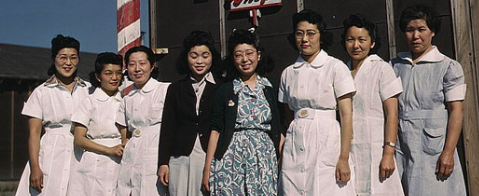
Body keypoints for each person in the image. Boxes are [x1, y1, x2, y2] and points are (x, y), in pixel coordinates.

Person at [391, 4, 467, 196]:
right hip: (401, 145)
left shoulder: (448, 66)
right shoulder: (395, 66)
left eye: (421, 29)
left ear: (432, 32)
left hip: (433, 146)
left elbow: (457, 110)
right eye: (410, 30)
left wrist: (448, 152)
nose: (415, 36)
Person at [278, 9, 356, 195]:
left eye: (311, 33)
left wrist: (343, 158)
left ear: (321, 36)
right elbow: (287, 115)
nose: (305, 39)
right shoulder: (288, 73)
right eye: (299, 33)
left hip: (326, 138)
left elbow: (346, 115)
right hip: (295, 141)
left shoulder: (335, 67)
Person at [201, 29, 283, 195]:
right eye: (238, 55)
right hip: (230, 160)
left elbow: (280, 128)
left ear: (258, 55)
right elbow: (215, 131)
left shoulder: (271, 87)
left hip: (264, 159)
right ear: (233, 59)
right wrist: (207, 169)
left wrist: (282, 158)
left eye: (249, 53)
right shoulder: (225, 90)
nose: (245, 59)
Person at [15, 34, 91, 196]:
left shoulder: (89, 90)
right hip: (51, 153)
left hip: (83, 151)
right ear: (54, 58)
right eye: (63, 57)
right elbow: (34, 134)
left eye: (73, 58)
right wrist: (35, 168)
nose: (68, 63)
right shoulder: (41, 92)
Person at [341, 14, 404, 196]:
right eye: (350, 39)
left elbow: (392, 113)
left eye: (362, 40)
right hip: (349, 149)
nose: (356, 45)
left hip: (376, 148)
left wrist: (388, 153)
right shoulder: (341, 71)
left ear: (372, 43)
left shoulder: (381, 69)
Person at [157, 30, 223, 195]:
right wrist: (163, 162)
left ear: (212, 57)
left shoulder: (222, 87)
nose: (199, 61)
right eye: (194, 56)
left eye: (205, 55)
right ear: (186, 58)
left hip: (210, 156)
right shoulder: (176, 88)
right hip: (180, 157)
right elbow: (168, 127)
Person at [66, 52, 125, 196]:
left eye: (118, 73)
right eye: (108, 73)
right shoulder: (89, 102)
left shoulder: (126, 101)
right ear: (98, 77)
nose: (114, 78)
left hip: (120, 160)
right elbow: (79, 139)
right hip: (94, 162)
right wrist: (108, 150)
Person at [115, 46, 170, 196]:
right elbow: (125, 134)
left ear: (152, 66)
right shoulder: (126, 99)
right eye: (132, 64)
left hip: (157, 154)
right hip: (132, 156)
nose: (137, 69)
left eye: (142, 63)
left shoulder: (165, 90)